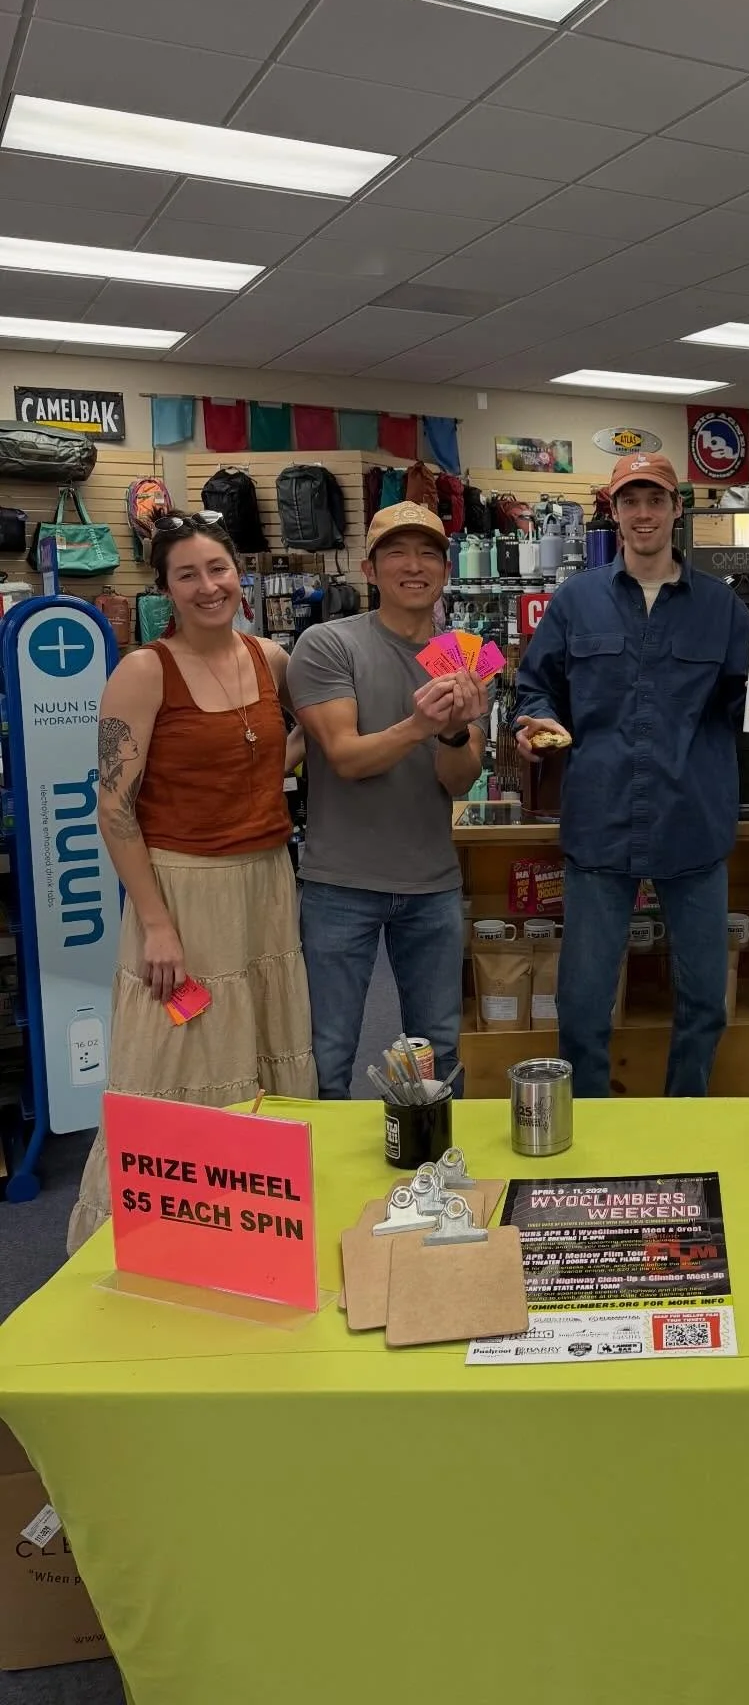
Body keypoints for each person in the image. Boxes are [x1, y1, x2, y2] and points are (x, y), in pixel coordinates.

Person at [67, 514, 316, 1251]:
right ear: (166, 590)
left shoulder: (268, 657)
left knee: (259, 1050)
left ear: (240, 573)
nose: (209, 586)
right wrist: (157, 922)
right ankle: (128, 1245)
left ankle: (246, 1235)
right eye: (188, 575)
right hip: (181, 888)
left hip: (266, 881)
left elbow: (280, 750)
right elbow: (113, 808)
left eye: (218, 569)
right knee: (170, 1061)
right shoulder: (144, 671)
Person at [514, 451, 749, 1098]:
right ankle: (590, 1119)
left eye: (655, 500)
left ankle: (685, 1115)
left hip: (693, 822)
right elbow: (535, 688)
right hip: (600, 821)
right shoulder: (575, 601)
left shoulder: (723, 611)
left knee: (706, 999)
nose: (643, 513)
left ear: (677, 509)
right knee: (584, 1002)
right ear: (614, 513)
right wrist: (532, 724)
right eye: (630, 502)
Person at [288, 502, 489, 1099]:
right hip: (340, 884)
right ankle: (320, 1180)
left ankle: (436, 1166)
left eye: (429, 553)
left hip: (432, 883)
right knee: (329, 1051)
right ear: (368, 569)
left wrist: (454, 733)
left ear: (446, 570)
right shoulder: (326, 644)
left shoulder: (464, 653)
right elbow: (345, 758)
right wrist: (421, 726)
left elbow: (458, 780)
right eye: (397, 553)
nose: (414, 565)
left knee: (440, 1050)